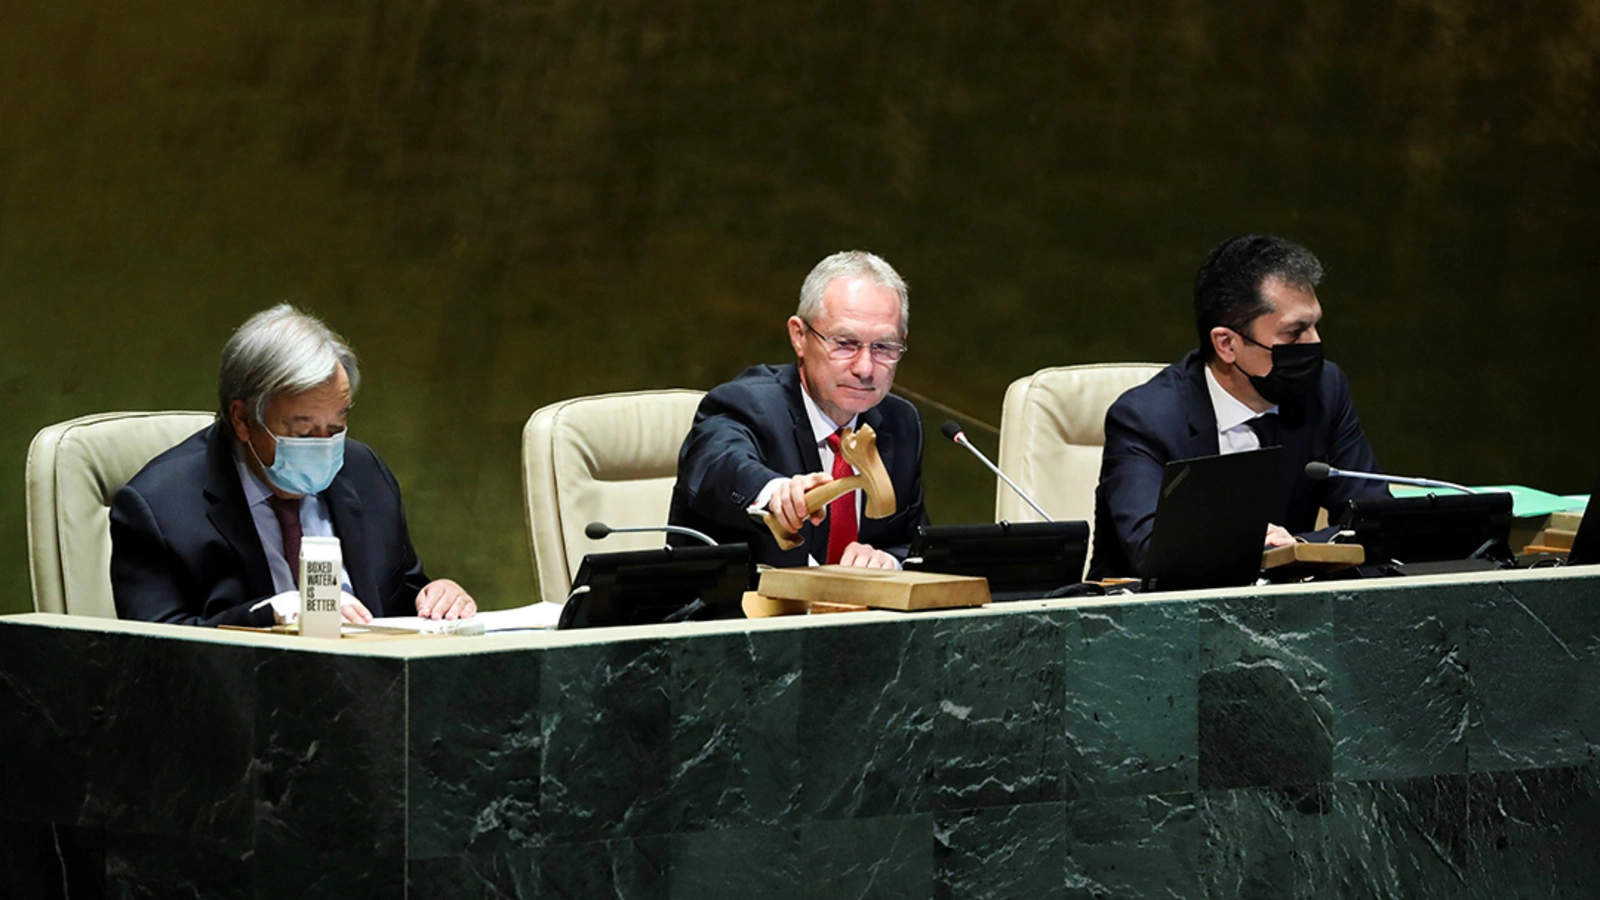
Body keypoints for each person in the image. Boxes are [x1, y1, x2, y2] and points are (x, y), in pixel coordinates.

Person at [110, 304, 475, 627]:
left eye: (335, 428)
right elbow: (156, 656)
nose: (323, 446)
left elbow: (400, 600)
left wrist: (436, 596)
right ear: (242, 419)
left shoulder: (364, 471)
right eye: (303, 433)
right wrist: (275, 613)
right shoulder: (157, 508)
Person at [1087, 234, 1387, 580]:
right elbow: (1151, 552)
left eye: (1315, 325)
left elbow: (1376, 519)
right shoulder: (1146, 419)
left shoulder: (1323, 390)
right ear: (1227, 344)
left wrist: (1298, 546)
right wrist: (1255, 546)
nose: (1314, 344)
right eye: (1294, 333)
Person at [669, 250, 929, 568]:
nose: (865, 368)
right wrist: (774, 492)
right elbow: (717, 463)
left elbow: (915, 544)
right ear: (799, 337)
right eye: (845, 343)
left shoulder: (899, 423)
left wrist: (888, 561)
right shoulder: (748, 404)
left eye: (884, 347)